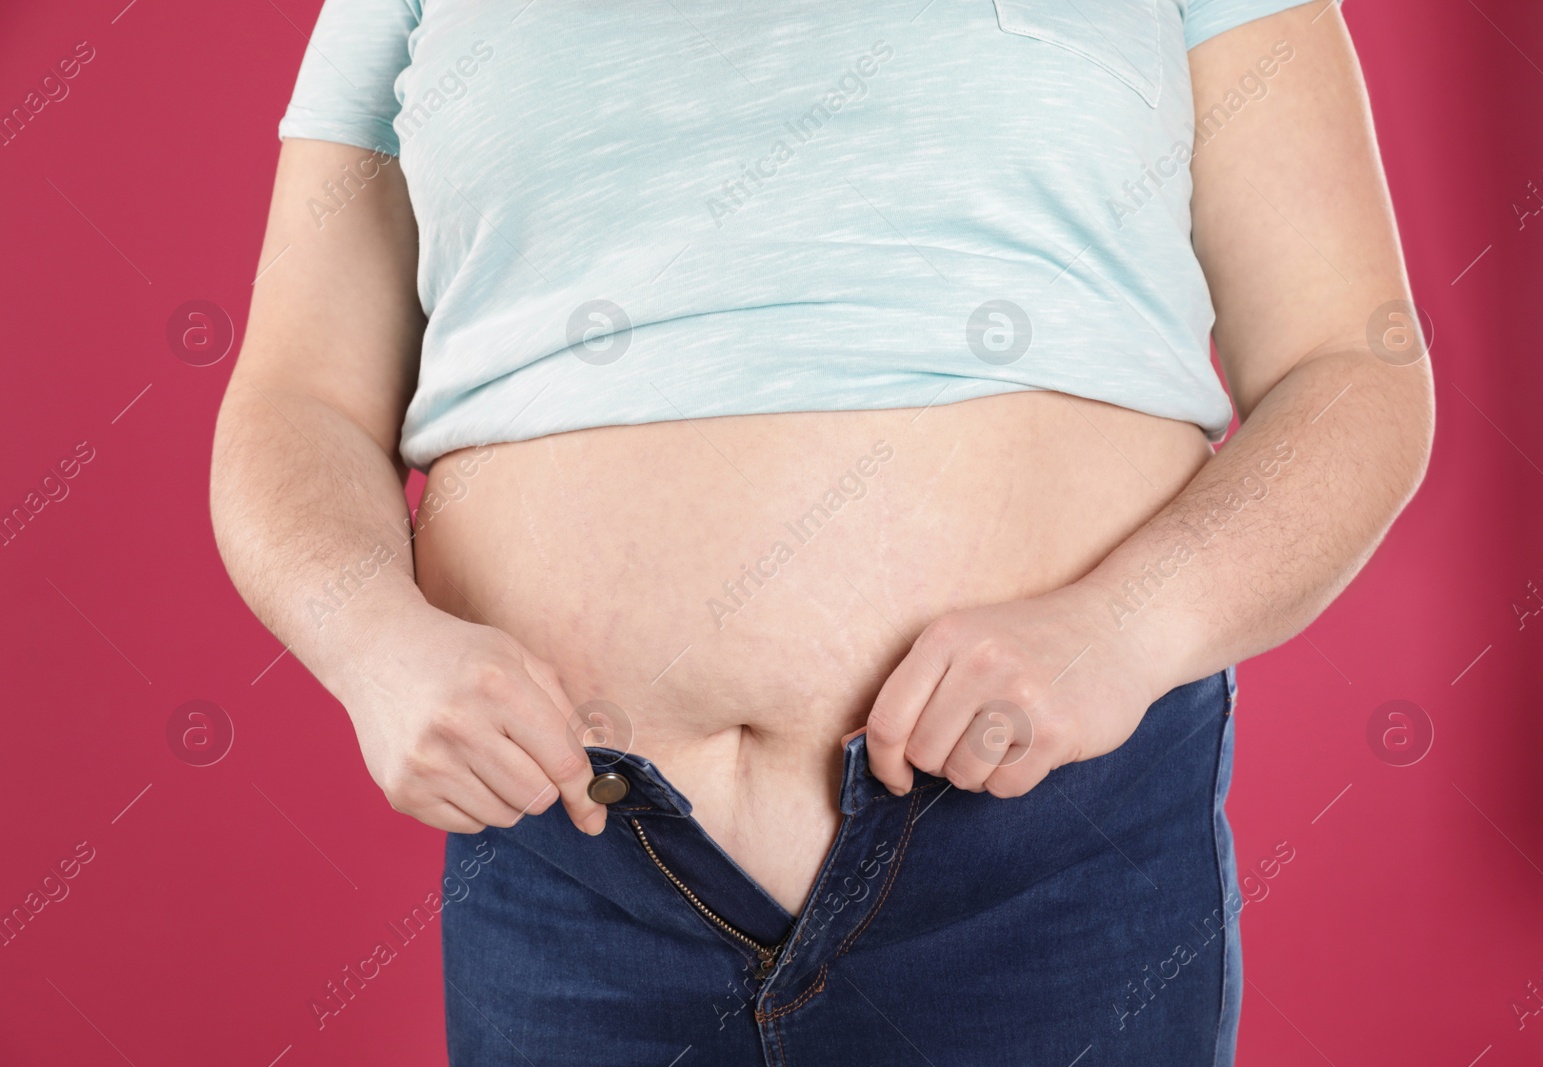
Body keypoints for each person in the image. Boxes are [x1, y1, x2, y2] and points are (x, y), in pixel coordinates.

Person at [210, 0, 1432, 1062]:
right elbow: (294, 399)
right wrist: (371, 642)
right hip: (575, 872)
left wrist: (1128, 625)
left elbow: (1350, 364)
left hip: (1037, 861)